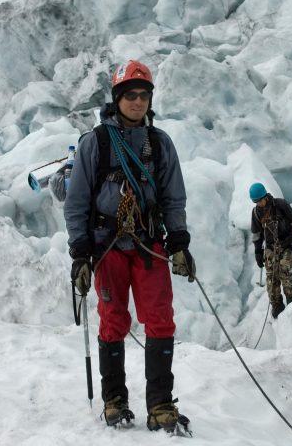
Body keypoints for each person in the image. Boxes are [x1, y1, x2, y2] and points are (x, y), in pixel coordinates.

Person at [63, 59, 194, 434]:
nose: (137, 101)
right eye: (130, 95)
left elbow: (173, 199)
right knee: (113, 322)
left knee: (160, 319)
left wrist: (179, 241)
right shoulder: (96, 143)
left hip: (148, 245)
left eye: (144, 95)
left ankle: (161, 405)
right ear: (117, 98)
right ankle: (114, 400)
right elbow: (77, 204)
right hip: (107, 248)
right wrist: (80, 254)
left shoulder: (159, 143)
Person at [249, 183, 292, 319]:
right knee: (272, 277)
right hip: (270, 248)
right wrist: (257, 252)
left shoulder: (281, 205)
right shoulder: (256, 212)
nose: (259, 204)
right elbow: (257, 234)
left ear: (265, 196)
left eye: (260, 200)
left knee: (284, 270)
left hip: (286, 245)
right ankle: (277, 306)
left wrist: (287, 240)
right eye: (256, 202)